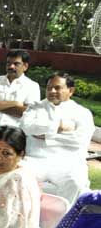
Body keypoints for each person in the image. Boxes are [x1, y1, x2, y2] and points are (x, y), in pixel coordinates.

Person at [19, 72, 94, 204]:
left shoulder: (82, 113)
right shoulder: (36, 107)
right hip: (36, 160)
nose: (52, 91)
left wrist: (44, 136)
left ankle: (63, 221)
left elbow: (80, 140)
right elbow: (26, 127)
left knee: (76, 181)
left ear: (70, 91)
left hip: (68, 162)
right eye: (49, 88)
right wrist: (58, 126)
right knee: (17, 175)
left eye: (57, 88)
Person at [0, 49, 41, 127]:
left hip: (13, 132)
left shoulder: (32, 86)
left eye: (16, 64)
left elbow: (28, 113)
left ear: (25, 66)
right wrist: (15, 103)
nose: (11, 66)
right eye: (8, 63)